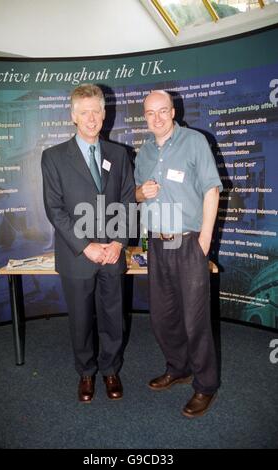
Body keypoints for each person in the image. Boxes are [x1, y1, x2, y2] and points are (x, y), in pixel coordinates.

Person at [41, 84, 135, 403]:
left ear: (105, 114)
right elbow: (55, 210)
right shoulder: (53, 158)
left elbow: (126, 202)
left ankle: (110, 369)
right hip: (77, 255)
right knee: (81, 318)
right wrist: (86, 246)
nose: (91, 118)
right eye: (84, 112)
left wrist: (119, 243)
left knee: (113, 316)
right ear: (73, 115)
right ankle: (86, 372)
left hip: (112, 253)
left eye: (96, 110)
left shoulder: (120, 155)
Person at [134, 90, 223, 418]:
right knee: (163, 316)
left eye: (162, 111)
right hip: (157, 244)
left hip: (188, 243)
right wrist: (140, 193)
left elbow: (211, 191)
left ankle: (205, 385)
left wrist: (204, 241)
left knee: (195, 319)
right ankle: (178, 367)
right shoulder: (142, 152)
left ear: (173, 112)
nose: (156, 118)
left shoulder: (194, 142)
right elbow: (137, 197)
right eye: (149, 113)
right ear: (144, 116)